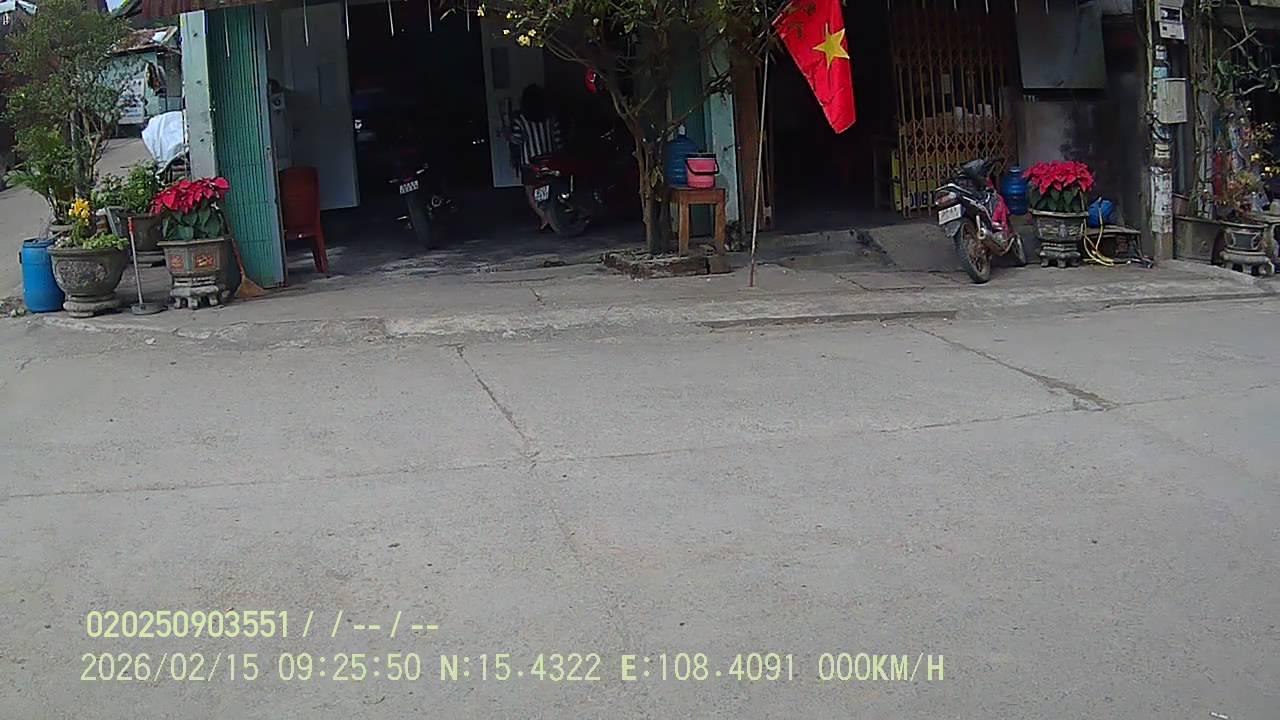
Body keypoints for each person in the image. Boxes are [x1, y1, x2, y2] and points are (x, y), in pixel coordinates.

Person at [510, 84, 562, 230]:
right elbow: (558, 140)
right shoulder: (551, 117)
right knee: (553, 189)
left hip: (530, 161)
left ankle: (544, 217)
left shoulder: (520, 120)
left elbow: (517, 139)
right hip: (550, 160)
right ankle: (555, 218)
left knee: (530, 192)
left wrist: (508, 136)